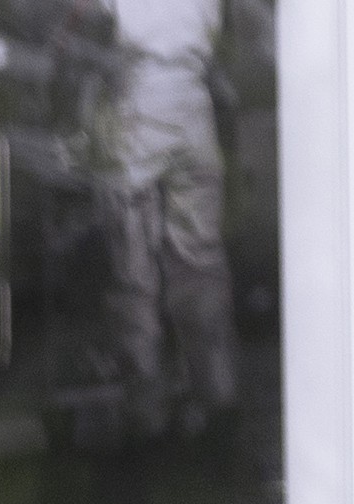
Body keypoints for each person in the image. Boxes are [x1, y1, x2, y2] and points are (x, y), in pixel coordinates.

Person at [85, 0, 240, 438]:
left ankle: (146, 409)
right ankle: (217, 393)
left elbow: (83, 26)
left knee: (134, 271)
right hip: (195, 111)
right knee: (200, 261)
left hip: (140, 109)